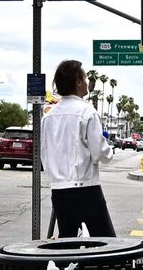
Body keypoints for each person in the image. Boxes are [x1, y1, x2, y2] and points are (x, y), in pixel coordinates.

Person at [41, 59, 115, 238]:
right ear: (79, 81)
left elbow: (44, 154)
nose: (88, 81)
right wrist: (109, 152)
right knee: (106, 244)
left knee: (67, 244)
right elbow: (99, 154)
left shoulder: (48, 117)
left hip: (59, 190)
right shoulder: (87, 112)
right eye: (85, 77)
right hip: (86, 189)